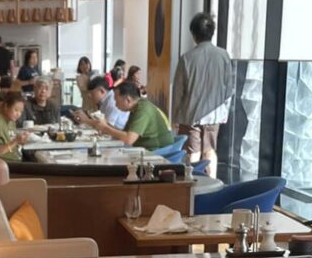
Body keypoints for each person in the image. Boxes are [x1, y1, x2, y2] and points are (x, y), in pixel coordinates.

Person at [171, 12, 233, 177]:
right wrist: (224, 112)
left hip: (190, 115)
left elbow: (178, 91)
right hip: (214, 116)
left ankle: (191, 185)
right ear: (212, 32)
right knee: (210, 151)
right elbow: (229, 88)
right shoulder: (223, 56)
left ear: (193, 34)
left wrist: (175, 117)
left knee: (192, 153)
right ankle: (212, 184)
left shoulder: (187, 58)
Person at [89, 80, 174, 150]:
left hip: (157, 151)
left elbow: (129, 139)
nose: (115, 104)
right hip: (145, 148)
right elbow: (124, 134)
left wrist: (105, 128)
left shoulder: (143, 110)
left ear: (128, 100)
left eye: (116, 100)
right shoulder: (135, 108)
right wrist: (106, 126)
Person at [0, 90, 29, 163]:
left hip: (15, 159)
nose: (18, 114)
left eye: (21, 111)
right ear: (6, 106)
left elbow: (10, 142)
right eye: (16, 110)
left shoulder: (11, 121)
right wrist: (16, 141)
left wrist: (20, 141)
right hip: (3, 163)